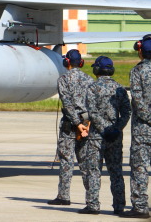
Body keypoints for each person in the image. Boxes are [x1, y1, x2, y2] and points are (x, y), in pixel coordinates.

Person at [79, 56, 130, 215]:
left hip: (97, 137)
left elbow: (91, 113)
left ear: (97, 70)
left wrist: (104, 129)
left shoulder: (92, 88)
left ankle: (93, 205)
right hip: (115, 136)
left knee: (94, 171)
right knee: (116, 171)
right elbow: (126, 112)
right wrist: (116, 128)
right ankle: (119, 206)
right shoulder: (120, 88)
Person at [48, 49, 95, 206]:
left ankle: (63, 196)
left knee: (67, 161)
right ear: (80, 63)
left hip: (71, 126)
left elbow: (67, 105)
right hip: (86, 126)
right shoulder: (89, 79)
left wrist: (77, 124)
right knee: (85, 162)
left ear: (67, 62)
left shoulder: (63, 79)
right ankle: (91, 198)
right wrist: (85, 124)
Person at [121, 35, 151, 219]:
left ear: (140, 51)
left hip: (143, 128)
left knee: (140, 167)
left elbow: (138, 101)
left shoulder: (137, 71)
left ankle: (140, 207)